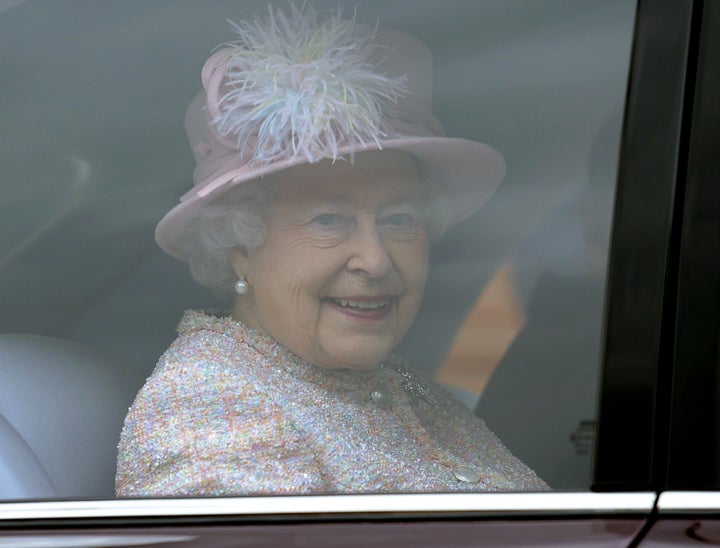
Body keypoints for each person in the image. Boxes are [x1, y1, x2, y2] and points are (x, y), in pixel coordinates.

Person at [116, 3, 547, 496]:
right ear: (240, 244)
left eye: (399, 219)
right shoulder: (212, 413)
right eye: (329, 220)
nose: (376, 259)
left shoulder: (390, 383)